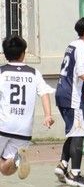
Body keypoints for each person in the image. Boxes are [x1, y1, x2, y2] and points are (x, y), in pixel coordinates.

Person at [0, 36, 55, 180]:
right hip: (24, 129)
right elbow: (44, 93)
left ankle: (16, 159)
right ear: (23, 54)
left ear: (5, 54)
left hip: (3, 125)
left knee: (4, 169)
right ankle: (16, 159)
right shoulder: (34, 73)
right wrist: (48, 115)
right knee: (5, 169)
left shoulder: (2, 72)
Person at [54, 17, 84, 187]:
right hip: (72, 97)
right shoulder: (82, 48)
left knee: (74, 132)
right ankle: (75, 174)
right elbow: (81, 73)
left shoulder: (72, 45)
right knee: (79, 134)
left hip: (62, 93)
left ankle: (62, 164)